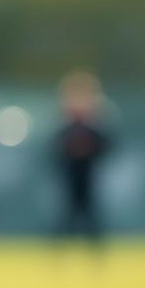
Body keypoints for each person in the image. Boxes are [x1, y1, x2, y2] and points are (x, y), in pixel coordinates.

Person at [55, 70, 109, 244]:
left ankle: (95, 248)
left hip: (88, 176)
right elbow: (56, 150)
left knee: (90, 214)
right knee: (67, 214)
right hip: (70, 177)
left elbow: (105, 147)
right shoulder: (66, 128)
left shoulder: (94, 129)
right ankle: (59, 248)